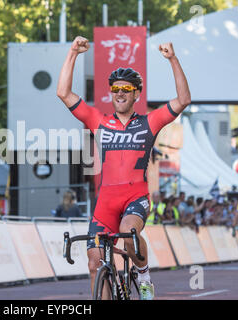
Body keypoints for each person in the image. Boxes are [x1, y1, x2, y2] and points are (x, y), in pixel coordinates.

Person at [57, 36, 191, 300]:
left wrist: (172, 60)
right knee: (94, 263)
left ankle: (143, 277)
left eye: (126, 89)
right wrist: (73, 52)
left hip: (135, 198)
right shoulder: (99, 120)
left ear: (136, 94)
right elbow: (63, 93)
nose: (119, 93)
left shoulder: (149, 122)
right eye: (115, 88)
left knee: (129, 234)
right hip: (105, 201)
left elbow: (184, 99)